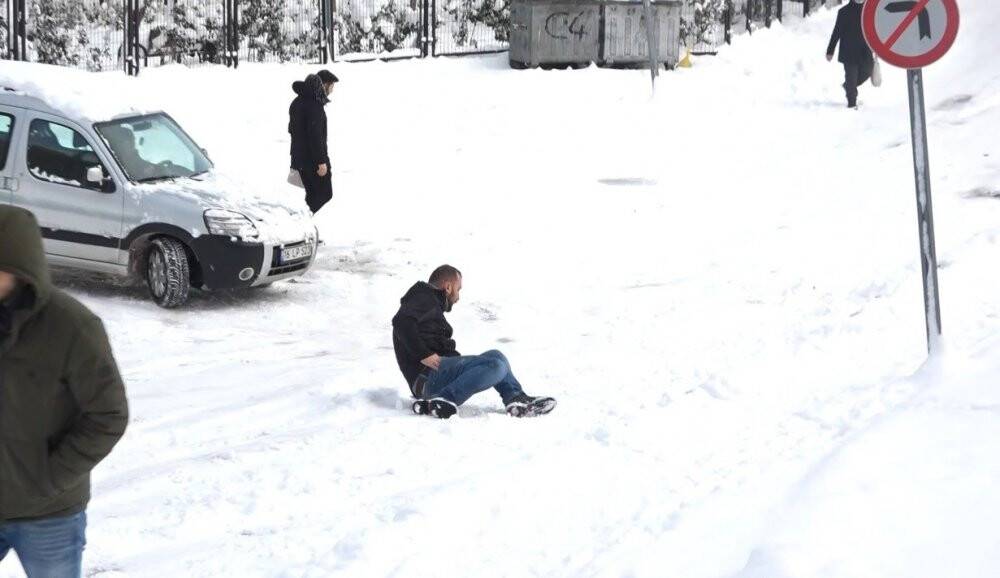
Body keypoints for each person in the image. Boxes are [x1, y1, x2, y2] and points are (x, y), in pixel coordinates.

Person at [0, 206, 129, 578]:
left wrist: (49, 478)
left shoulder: (72, 326)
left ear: (20, 266)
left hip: (48, 514)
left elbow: (108, 415)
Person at [391, 265, 556, 419]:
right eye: (458, 289)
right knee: (495, 365)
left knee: (496, 355)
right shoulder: (423, 296)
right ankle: (442, 400)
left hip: (438, 374)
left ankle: (515, 398)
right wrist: (423, 354)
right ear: (448, 287)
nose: (458, 297)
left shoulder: (427, 302)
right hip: (427, 379)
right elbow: (401, 322)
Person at [289, 69, 338, 214]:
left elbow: (292, 130)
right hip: (313, 160)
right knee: (325, 194)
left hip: (300, 158)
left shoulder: (297, 102)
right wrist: (321, 161)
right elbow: (315, 136)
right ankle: (300, 220)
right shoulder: (314, 106)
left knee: (312, 194)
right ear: (323, 85)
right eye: (331, 86)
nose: (332, 90)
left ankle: (303, 222)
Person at [826, 0, 875, 109]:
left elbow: (875, 30)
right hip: (849, 52)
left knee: (867, 71)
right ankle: (852, 104)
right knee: (851, 78)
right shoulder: (844, 12)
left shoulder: (869, 12)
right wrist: (830, 50)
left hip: (865, 51)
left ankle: (848, 86)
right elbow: (836, 33)